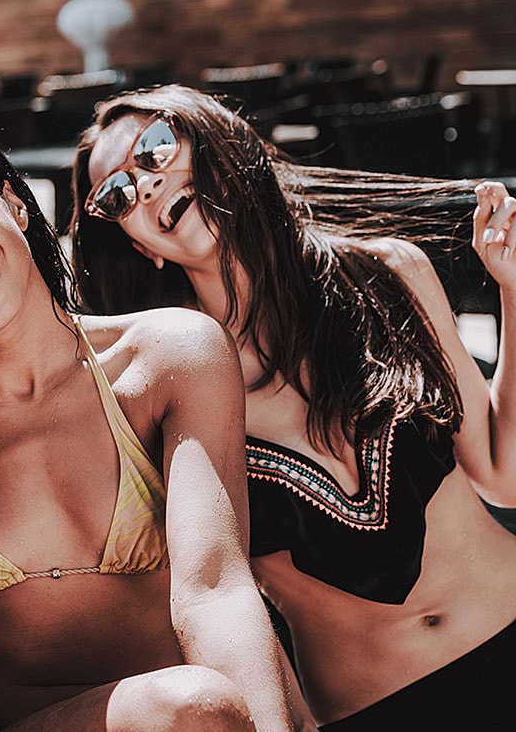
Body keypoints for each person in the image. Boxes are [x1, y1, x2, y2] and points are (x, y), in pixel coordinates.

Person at [0, 107, 305, 731]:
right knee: (187, 706)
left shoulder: (168, 357)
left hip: (195, 722)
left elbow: (216, 587)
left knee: (199, 707)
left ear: (15, 204)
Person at [68, 83, 516, 729]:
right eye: (116, 193)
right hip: (376, 705)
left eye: (156, 148)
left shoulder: (389, 274)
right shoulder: (170, 387)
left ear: (213, 138)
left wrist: (513, 291)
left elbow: (502, 467)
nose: (144, 185)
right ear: (137, 244)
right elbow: (213, 597)